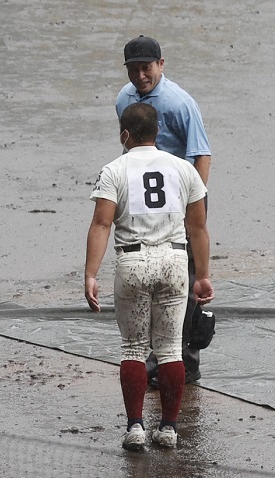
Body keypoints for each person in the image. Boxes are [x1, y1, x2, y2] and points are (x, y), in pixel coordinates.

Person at [85, 103, 214, 449]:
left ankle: (136, 427)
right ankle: (169, 429)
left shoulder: (114, 169)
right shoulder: (184, 169)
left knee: (133, 348)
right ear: (157, 132)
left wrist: (90, 274)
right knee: (171, 349)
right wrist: (202, 275)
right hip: (173, 261)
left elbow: (101, 223)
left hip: (133, 263)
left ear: (124, 134)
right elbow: (198, 227)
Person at [116, 35, 213, 386]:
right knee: (152, 275)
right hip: (147, 204)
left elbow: (201, 154)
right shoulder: (124, 99)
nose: (141, 75)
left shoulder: (178, 102)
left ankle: (186, 361)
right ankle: (158, 356)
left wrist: (194, 206)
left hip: (183, 199)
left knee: (182, 280)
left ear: (161, 64)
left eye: (147, 67)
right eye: (134, 69)